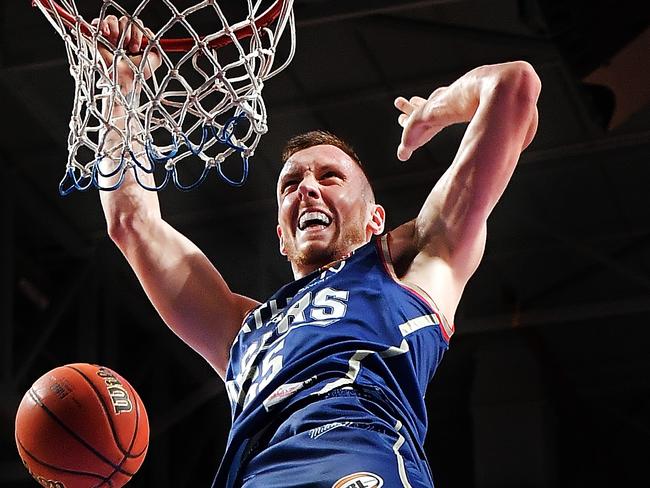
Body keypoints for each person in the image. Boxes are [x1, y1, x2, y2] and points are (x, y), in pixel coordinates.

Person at [95, 15, 541, 488]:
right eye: (290, 184)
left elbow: (513, 85)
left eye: (329, 177)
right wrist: (120, 83)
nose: (306, 188)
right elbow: (132, 223)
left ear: (376, 220)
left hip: (356, 460)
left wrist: (437, 109)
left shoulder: (415, 264)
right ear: (281, 236)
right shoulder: (241, 330)